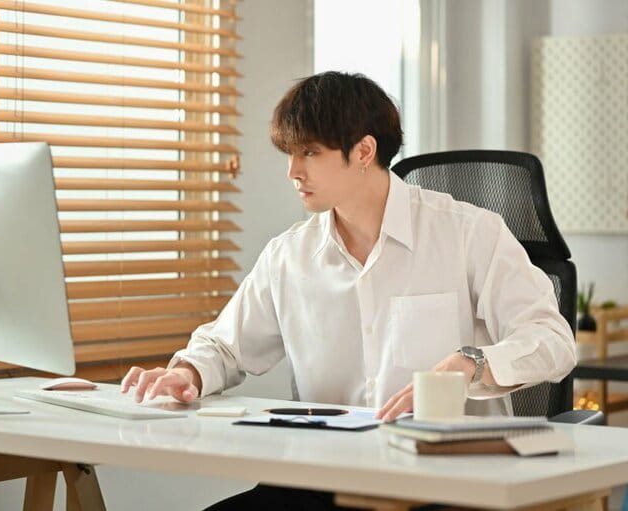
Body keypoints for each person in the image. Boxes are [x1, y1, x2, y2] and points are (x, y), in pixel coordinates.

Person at [120, 71, 576, 510]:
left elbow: (553, 340)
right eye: (289, 154)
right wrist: (190, 375)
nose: (293, 172)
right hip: (323, 482)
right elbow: (224, 346)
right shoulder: (289, 256)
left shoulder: (468, 233)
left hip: (448, 485)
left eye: (309, 152)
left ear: (363, 151)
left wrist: (470, 365)